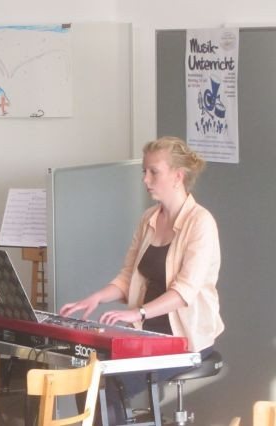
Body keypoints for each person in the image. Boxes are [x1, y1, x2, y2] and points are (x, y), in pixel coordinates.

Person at [59, 136, 224, 424]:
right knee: (86, 374)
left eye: (153, 172)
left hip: (185, 339)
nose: (145, 179)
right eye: (144, 172)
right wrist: (96, 298)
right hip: (146, 332)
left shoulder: (201, 222)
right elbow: (128, 277)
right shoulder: (149, 218)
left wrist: (138, 312)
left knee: (110, 383)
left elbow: (184, 292)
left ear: (178, 176)